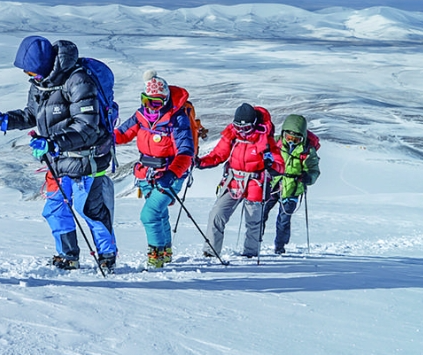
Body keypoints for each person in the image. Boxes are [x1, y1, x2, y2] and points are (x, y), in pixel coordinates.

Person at [0, 36, 118, 272]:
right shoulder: (41, 84)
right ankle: (67, 255)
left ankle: (107, 254)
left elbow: (87, 126)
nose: (30, 76)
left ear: (44, 64)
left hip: (86, 158)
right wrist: (6, 119)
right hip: (57, 160)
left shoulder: (78, 81)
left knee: (89, 209)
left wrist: (54, 142)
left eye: (32, 71)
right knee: (55, 208)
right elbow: (31, 115)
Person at [114, 71, 194, 268]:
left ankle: (155, 256)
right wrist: (103, 136)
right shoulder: (141, 115)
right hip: (146, 173)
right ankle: (166, 252)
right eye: (146, 100)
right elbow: (122, 134)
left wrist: (172, 173)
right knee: (160, 213)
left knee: (148, 215)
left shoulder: (177, 119)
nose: (150, 106)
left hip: (169, 174)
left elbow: (186, 151)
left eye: (156, 103)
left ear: (165, 100)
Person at [196, 103, 284, 258]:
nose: (241, 131)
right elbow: (218, 155)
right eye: (238, 127)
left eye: (246, 128)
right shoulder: (231, 135)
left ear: (254, 125)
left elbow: (280, 166)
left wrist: (271, 165)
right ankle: (211, 251)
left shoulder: (264, 139)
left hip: (255, 182)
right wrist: (200, 162)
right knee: (217, 214)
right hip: (234, 180)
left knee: (253, 221)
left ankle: (250, 253)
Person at [261, 115, 321, 254]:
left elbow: (314, 170)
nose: (292, 142)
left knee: (284, 219)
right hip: (273, 184)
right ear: (283, 133)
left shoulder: (307, 151)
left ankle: (280, 247)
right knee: (261, 213)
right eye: (289, 138)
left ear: (303, 137)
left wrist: (307, 177)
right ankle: (255, 242)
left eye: (296, 139)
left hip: (293, 188)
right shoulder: (274, 143)